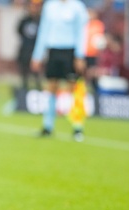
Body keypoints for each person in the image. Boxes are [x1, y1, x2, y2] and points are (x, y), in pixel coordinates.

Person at [31, 0, 88, 141]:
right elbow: (43, 31)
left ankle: (77, 126)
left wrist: (80, 55)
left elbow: (82, 32)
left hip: (70, 51)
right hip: (53, 50)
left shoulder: (77, 7)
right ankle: (47, 126)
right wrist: (37, 55)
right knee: (51, 87)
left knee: (74, 87)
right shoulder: (50, 6)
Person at [16, 0, 43, 91]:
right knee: (24, 73)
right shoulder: (24, 20)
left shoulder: (40, 21)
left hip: (35, 50)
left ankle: (38, 90)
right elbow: (19, 31)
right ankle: (24, 90)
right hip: (25, 49)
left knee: (36, 73)